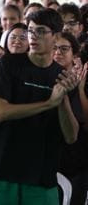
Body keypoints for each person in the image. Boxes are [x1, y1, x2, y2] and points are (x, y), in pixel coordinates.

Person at [0, 9, 79, 205]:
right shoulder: (8, 64)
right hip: (1, 170)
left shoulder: (62, 76)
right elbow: (0, 112)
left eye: (41, 31)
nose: (33, 37)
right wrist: (49, 103)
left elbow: (71, 136)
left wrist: (63, 98)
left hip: (41, 175)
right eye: (30, 31)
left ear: (56, 36)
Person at [53, 32, 88, 205]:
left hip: (75, 161)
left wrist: (79, 90)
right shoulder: (40, 79)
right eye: (54, 48)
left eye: (63, 49)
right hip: (48, 159)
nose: (57, 52)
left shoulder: (82, 83)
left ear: (74, 55)